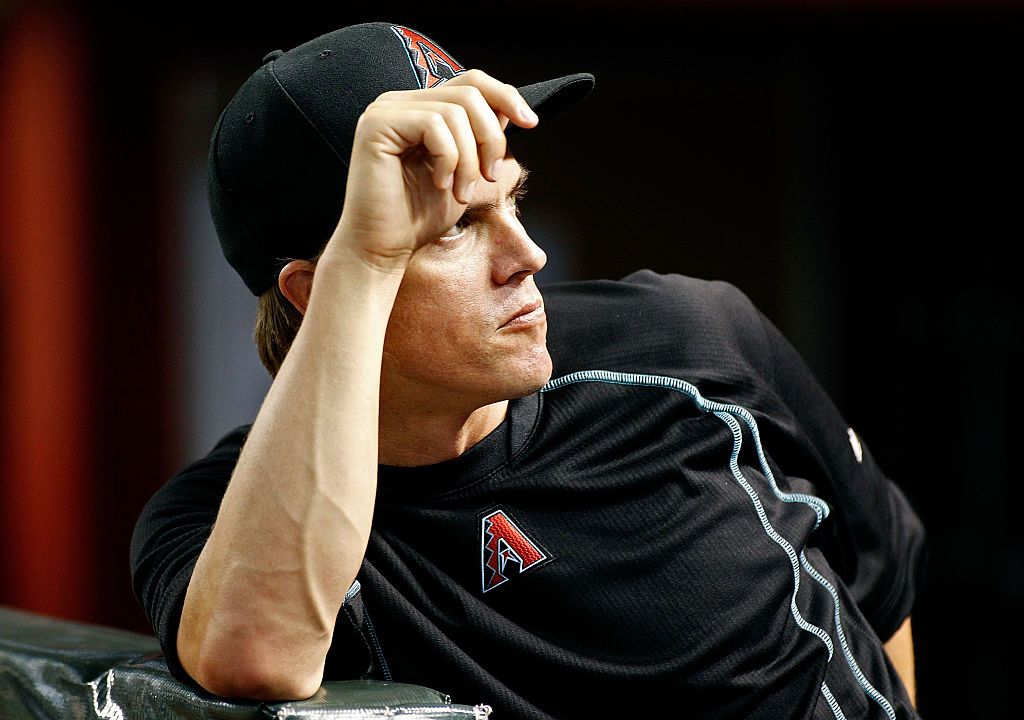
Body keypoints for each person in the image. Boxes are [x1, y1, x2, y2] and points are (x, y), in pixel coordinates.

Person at [130, 21, 926, 720]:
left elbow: (882, 588)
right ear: (319, 289)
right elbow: (258, 657)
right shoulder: (218, 521)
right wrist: (366, 256)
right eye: (457, 228)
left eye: (514, 200)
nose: (528, 256)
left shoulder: (687, 341)